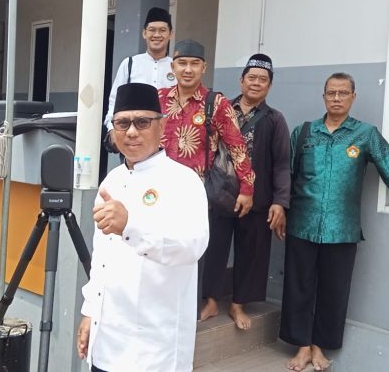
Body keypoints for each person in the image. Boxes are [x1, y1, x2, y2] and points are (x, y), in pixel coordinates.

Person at [280, 72, 389, 371]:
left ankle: (319, 346)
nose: (336, 98)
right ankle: (301, 346)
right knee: (298, 287)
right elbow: (286, 175)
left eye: (343, 93)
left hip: (342, 228)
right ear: (323, 96)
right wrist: (280, 209)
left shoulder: (365, 134)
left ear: (353, 97)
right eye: (331, 93)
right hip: (302, 223)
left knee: (334, 290)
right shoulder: (304, 132)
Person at [76, 83, 209, 371]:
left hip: (154, 348)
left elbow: (191, 247)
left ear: (162, 126)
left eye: (142, 122)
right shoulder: (111, 180)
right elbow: (101, 260)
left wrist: (130, 227)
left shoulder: (183, 181)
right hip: (106, 340)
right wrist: (89, 312)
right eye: (123, 123)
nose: (132, 132)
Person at [157, 39, 255, 321]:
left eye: (194, 64)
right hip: (159, 191)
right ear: (172, 66)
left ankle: (190, 312)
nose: (187, 69)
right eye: (182, 63)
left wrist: (247, 189)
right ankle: (162, 308)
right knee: (160, 248)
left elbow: (237, 147)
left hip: (197, 194)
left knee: (193, 253)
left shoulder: (216, 103)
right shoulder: (159, 99)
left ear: (204, 67)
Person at [202, 53, 290, 330]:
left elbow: (282, 164)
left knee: (251, 252)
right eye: (251, 77)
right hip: (220, 193)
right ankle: (211, 300)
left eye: (263, 80)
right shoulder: (220, 110)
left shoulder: (275, 120)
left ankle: (238, 304)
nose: (256, 83)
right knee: (213, 247)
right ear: (241, 81)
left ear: (269, 86)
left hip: (257, 198)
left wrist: (280, 201)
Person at [104, 7, 176, 147]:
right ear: (144, 33)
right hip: (135, 138)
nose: (157, 35)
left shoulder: (176, 67)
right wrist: (111, 128)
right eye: (152, 30)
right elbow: (114, 101)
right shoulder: (130, 64)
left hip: (169, 140)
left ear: (170, 34)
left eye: (162, 30)